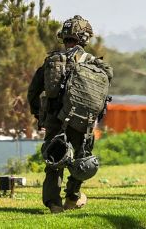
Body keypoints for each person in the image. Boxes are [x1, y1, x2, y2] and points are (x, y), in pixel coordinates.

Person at [27, 15, 114, 214]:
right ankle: (72, 197)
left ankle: (53, 203)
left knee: (53, 159)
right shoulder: (95, 64)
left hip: (53, 119)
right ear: (84, 38)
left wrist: (37, 114)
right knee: (81, 157)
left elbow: (33, 91)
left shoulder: (51, 61)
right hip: (81, 121)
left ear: (64, 37)